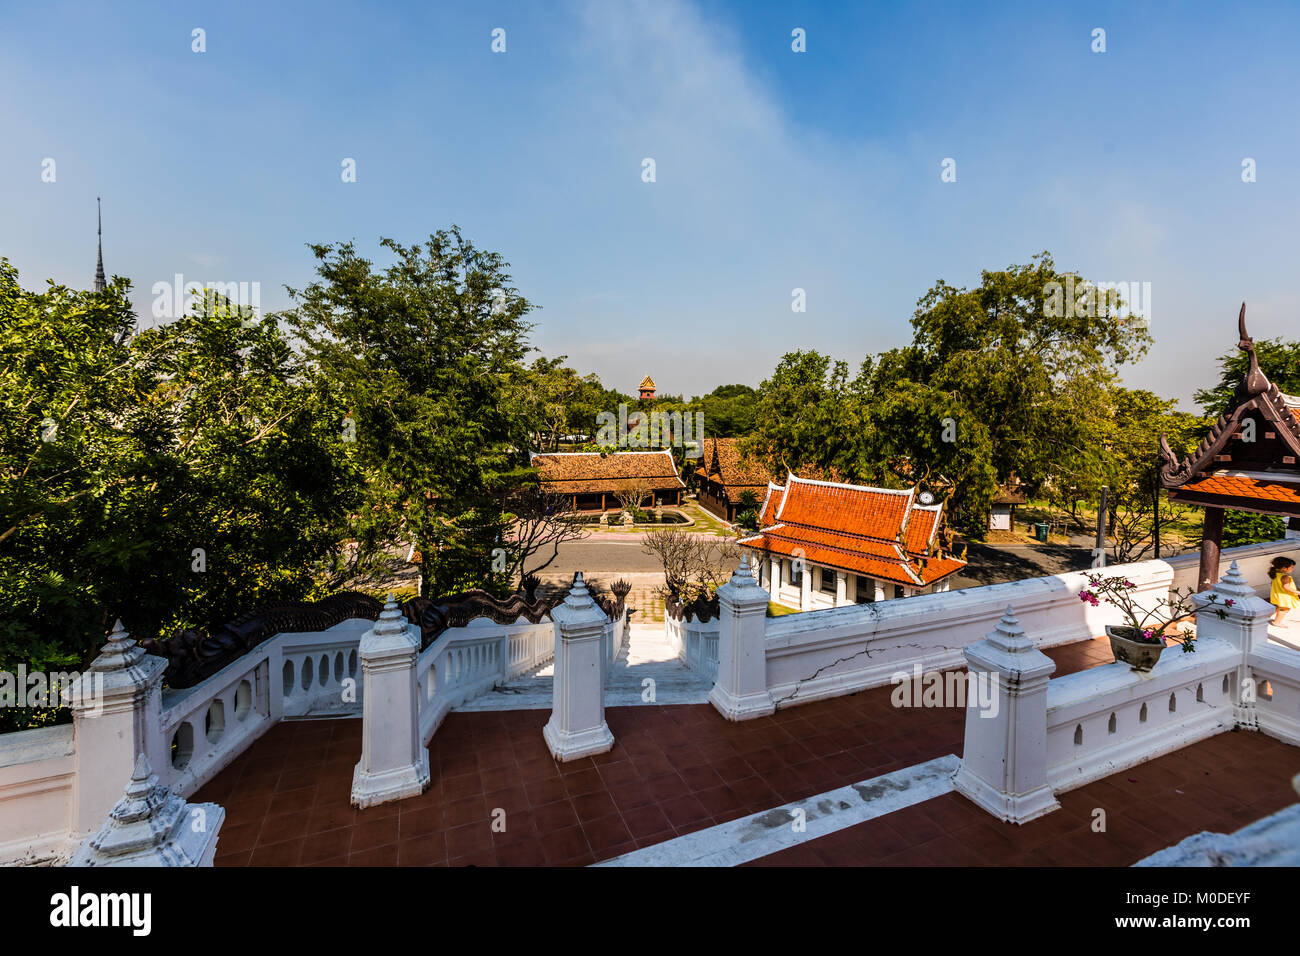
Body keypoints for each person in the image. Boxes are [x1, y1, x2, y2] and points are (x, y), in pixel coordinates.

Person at [1268, 557, 1300, 625]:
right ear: (1284, 568)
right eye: (1292, 567)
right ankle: (1277, 622)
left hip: (1277, 594)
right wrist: (1298, 592)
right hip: (1284, 596)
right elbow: (1286, 587)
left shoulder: (1276, 574)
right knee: (1284, 609)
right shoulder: (1285, 576)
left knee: (1278, 608)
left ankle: (1265, 618)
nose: (1292, 569)